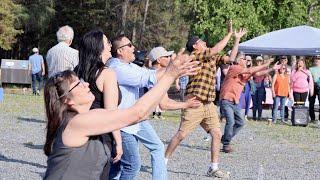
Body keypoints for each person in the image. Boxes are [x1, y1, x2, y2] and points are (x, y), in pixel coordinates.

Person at [43, 47, 198, 179]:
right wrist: (169, 75)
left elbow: (142, 114)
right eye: (78, 85)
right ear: (67, 101)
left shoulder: (92, 115)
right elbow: (137, 113)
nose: (86, 84)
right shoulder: (77, 122)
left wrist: (170, 76)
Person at [108, 36, 199, 180]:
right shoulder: (117, 67)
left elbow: (151, 79)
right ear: (120, 50)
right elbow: (163, 102)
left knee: (120, 164)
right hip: (124, 123)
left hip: (135, 120)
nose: (134, 48)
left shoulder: (132, 67)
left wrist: (176, 70)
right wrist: (175, 71)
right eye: (130, 45)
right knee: (131, 166)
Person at [165, 21, 238, 178]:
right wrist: (229, 34)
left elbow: (231, 58)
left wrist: (236, 39)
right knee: (181, 135)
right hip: (195, 102)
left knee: (217, 133)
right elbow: (216, 49)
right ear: (195, 46)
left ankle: (213, 167)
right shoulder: (196, 55)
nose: (204, 42)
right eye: (200, 41)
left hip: (208, 104)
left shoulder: (212, 57)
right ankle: (162, 161)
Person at [75, 29, 122, 178]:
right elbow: (111, 113)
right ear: (98, 47)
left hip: (78, 133)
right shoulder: (106, 74)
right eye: (107, 42)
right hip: (100, 137)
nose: (110, 45)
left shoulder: (76, 72)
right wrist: (119, 142)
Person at [220, 52, 280, 153]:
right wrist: (266, 63)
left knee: (240, 122)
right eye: (245, 59)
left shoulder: (245, 71)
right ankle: (226, 144)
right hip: (226, 99)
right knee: (230, 122)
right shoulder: (235, 68)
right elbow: (251, 70)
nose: (247, 61)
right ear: (239, 60)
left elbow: (258, 73)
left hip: (234, 101)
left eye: (248, 60)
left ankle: (225, 138)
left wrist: (272, 68)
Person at [252, 56, 268, 121]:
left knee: (260, 102)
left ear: (262, 62)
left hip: (261, 87)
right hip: (254, 86)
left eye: (260, 61)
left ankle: (259, 117)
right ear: (256, 61)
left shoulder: (264, 68)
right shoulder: (253, 68)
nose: (259, 62)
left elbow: (267, 76)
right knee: (254, 102)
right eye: (258, 61)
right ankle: (254, 117)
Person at [308, 55, 320, 122]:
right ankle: (312, 119)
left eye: (318, 58)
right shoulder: (310, 69)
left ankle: (319, 119)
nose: (317, 60)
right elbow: (308, 78)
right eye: (316, 58)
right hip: (312, 86)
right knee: (311, 103)